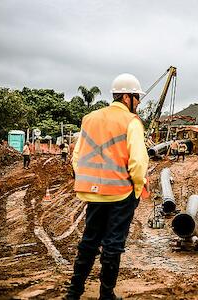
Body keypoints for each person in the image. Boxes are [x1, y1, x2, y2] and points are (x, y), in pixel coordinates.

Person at [66, 73, 149, 300]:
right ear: (126, 97)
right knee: (113, 243)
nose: (139, 103)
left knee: (89, 240)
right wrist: (137, 188)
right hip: (121, 193)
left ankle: (74, 293)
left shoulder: (89, 118)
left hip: (92, 193)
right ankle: (106, 294)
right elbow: (138, 162)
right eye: (137, 98)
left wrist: (87, 181)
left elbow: (77, 156)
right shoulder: (131, 122)